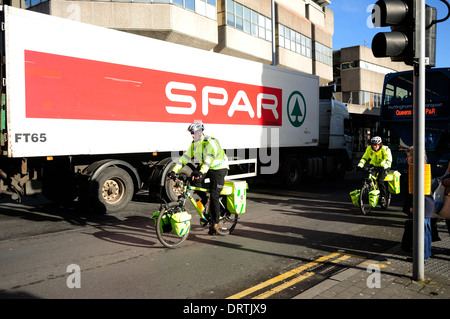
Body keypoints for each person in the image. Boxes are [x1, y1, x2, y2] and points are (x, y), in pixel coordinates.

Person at [169, 122, 229, 235]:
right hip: (207, 168)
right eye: (191, 133)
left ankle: (216, 222)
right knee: (194, 182)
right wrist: (174, 170)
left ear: (201, 132)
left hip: (219, 169)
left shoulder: (210, 142)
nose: (192, 135)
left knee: (214, 194)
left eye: (194, 133)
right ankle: (205, 199)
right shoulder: (194, 144)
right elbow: (185, 158)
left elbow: (208, 160)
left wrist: (201, 172)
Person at [401, 147, 434, 259]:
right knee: (426, 231)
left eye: (409, 156)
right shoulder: (423, 168)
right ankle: (425, 254)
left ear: (415, 157)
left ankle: (421, 258)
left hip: (421, 205)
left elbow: (416, 191)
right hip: (426, 204)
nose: (407, 158)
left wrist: (413, 206)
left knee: (422, 232)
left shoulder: (417, 170)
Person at [357, 136, 392, 206]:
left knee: (380, 180)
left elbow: (388, 160)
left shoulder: (385, 149)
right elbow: (364, 158)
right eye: (373, 145)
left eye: (376, 145)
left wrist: (384, 167)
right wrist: (360, 165)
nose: (375, 146)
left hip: (385, 166)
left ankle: (383, 197)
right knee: (368, 178)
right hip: (374, 165)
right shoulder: (369, 149)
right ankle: (367, 192)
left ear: (380, 144)